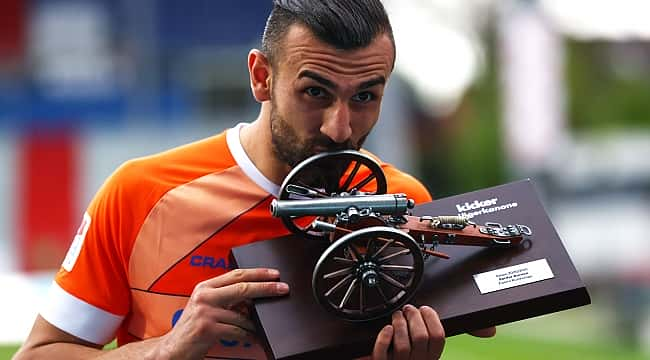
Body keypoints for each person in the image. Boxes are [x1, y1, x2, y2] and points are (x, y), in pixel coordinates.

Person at [14, 1, 495, 359]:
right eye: (315, 92)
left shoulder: (402, 203)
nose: (339, 127)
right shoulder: (142, 193)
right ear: (261, 76)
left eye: (365, 96)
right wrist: (163, 350)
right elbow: (39, 354)